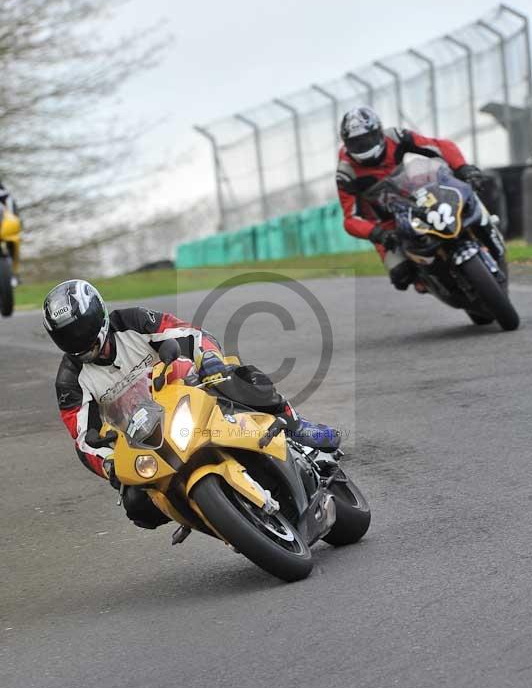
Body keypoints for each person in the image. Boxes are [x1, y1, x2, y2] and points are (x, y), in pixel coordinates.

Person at [43, 279, 340, 529]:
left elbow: (189, 334)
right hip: (147, 441)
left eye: (84, 334)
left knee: (234, 377)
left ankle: (296, 426)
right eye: (70, 340)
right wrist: (109, 463)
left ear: (99, 318)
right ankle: (210, 517)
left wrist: (209, 357)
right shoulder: (70, 382)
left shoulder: (132, 322)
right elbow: (84, 439)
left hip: (187, 395)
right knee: (137, 506)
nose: (81, 345)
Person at [336, 106, 487, 290]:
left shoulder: (396, 137)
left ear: (378, 132)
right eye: (356, 143)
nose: (364, 147)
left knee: (464, 205)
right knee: (401, 275)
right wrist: (378, 234)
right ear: (346, 143)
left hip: (417, 194)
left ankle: (483, 240)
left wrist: (463, 167)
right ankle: (432, 283)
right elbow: (350, 219)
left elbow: (440, 146)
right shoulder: (346, 172)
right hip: (386, 222)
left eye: (367, 139)